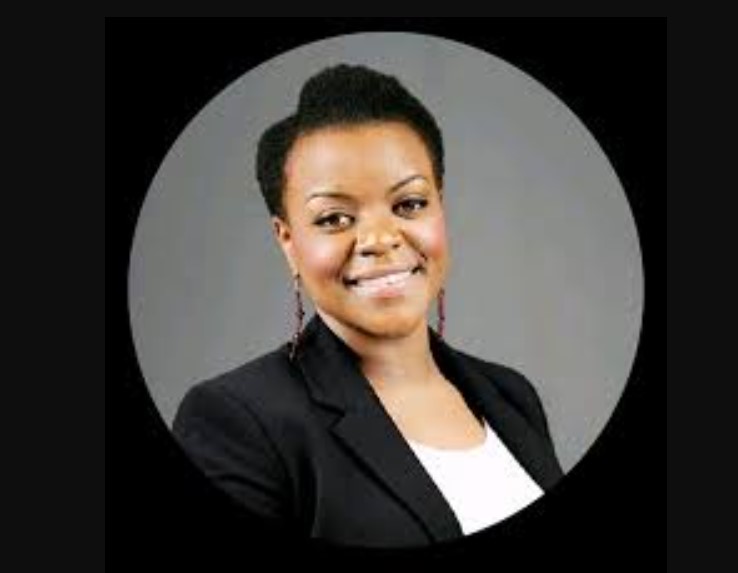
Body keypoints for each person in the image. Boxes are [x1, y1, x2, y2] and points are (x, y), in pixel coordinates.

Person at [172, 64, 563, 548]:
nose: (380, 238)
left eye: (410, 204)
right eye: (334, 218)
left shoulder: (511, 396)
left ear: (441, 206)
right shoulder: (239, 422)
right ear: (288, 240)